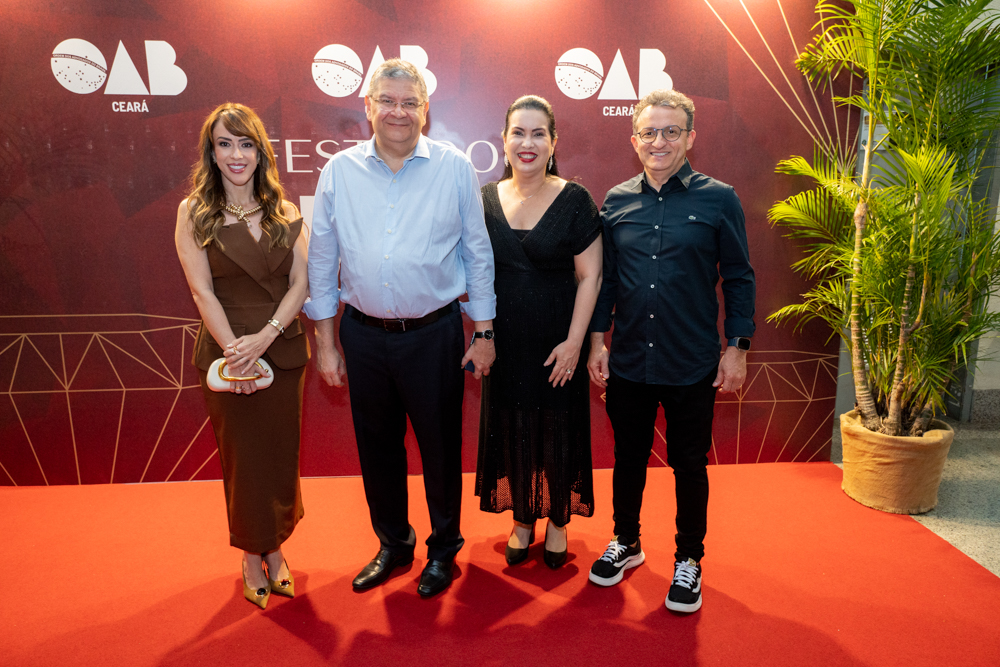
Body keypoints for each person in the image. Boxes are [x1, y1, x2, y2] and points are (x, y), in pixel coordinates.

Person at [305, 59, 496, 598]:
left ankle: (443, 550)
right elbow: (322, 259)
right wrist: (326, 343)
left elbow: (477, 255)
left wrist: (483, 332)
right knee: (377, 448)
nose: (398, 111)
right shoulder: (338, 171)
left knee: (440, 447)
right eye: (387, 100)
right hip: (362, 336)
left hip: (434, 335)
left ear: (425, 110)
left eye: (409, 102)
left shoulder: (455, 168)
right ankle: (393, 544)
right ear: (367, 106)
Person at [586, 89, 755, 613]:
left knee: (688, 463)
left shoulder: (719, 198)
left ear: (690, 138)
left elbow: (740, 278)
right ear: (634, 139)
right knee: (628, 457)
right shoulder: (614, 200)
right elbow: (606, 281)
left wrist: (738, 347)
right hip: (631, 358)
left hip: (692, 361)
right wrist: (597, 339)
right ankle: (627, 542)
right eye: (649, 132)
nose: (659, 141)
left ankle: (688, 559)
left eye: (671, 131)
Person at [175, 103, 310, 610]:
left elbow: (301, 283)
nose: (237, 155)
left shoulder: (285, 210)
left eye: (246, 144)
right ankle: (253, 556)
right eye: (225, 144)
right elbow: (201, 291)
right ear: (212, 152)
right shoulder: (194, 212)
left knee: (278, 458)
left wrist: (267, 337)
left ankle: (275, 548)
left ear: (261, 151)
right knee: (243, 461)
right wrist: (237, 352)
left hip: (282, 351)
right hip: (226, 354)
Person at [474, 95, 602, 569]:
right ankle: (523, 519)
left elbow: (590, 276)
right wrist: (481, 336)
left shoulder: (574, 199)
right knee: (511, 425)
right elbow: (474, 273)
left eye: (538, 133)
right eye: (518, 133)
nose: (527, 143)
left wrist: (575, 342)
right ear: (504, 140)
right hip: (503, 338)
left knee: (556, 425)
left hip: (557, 336)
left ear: (553, 142)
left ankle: (558, 521)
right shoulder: (485, 198)